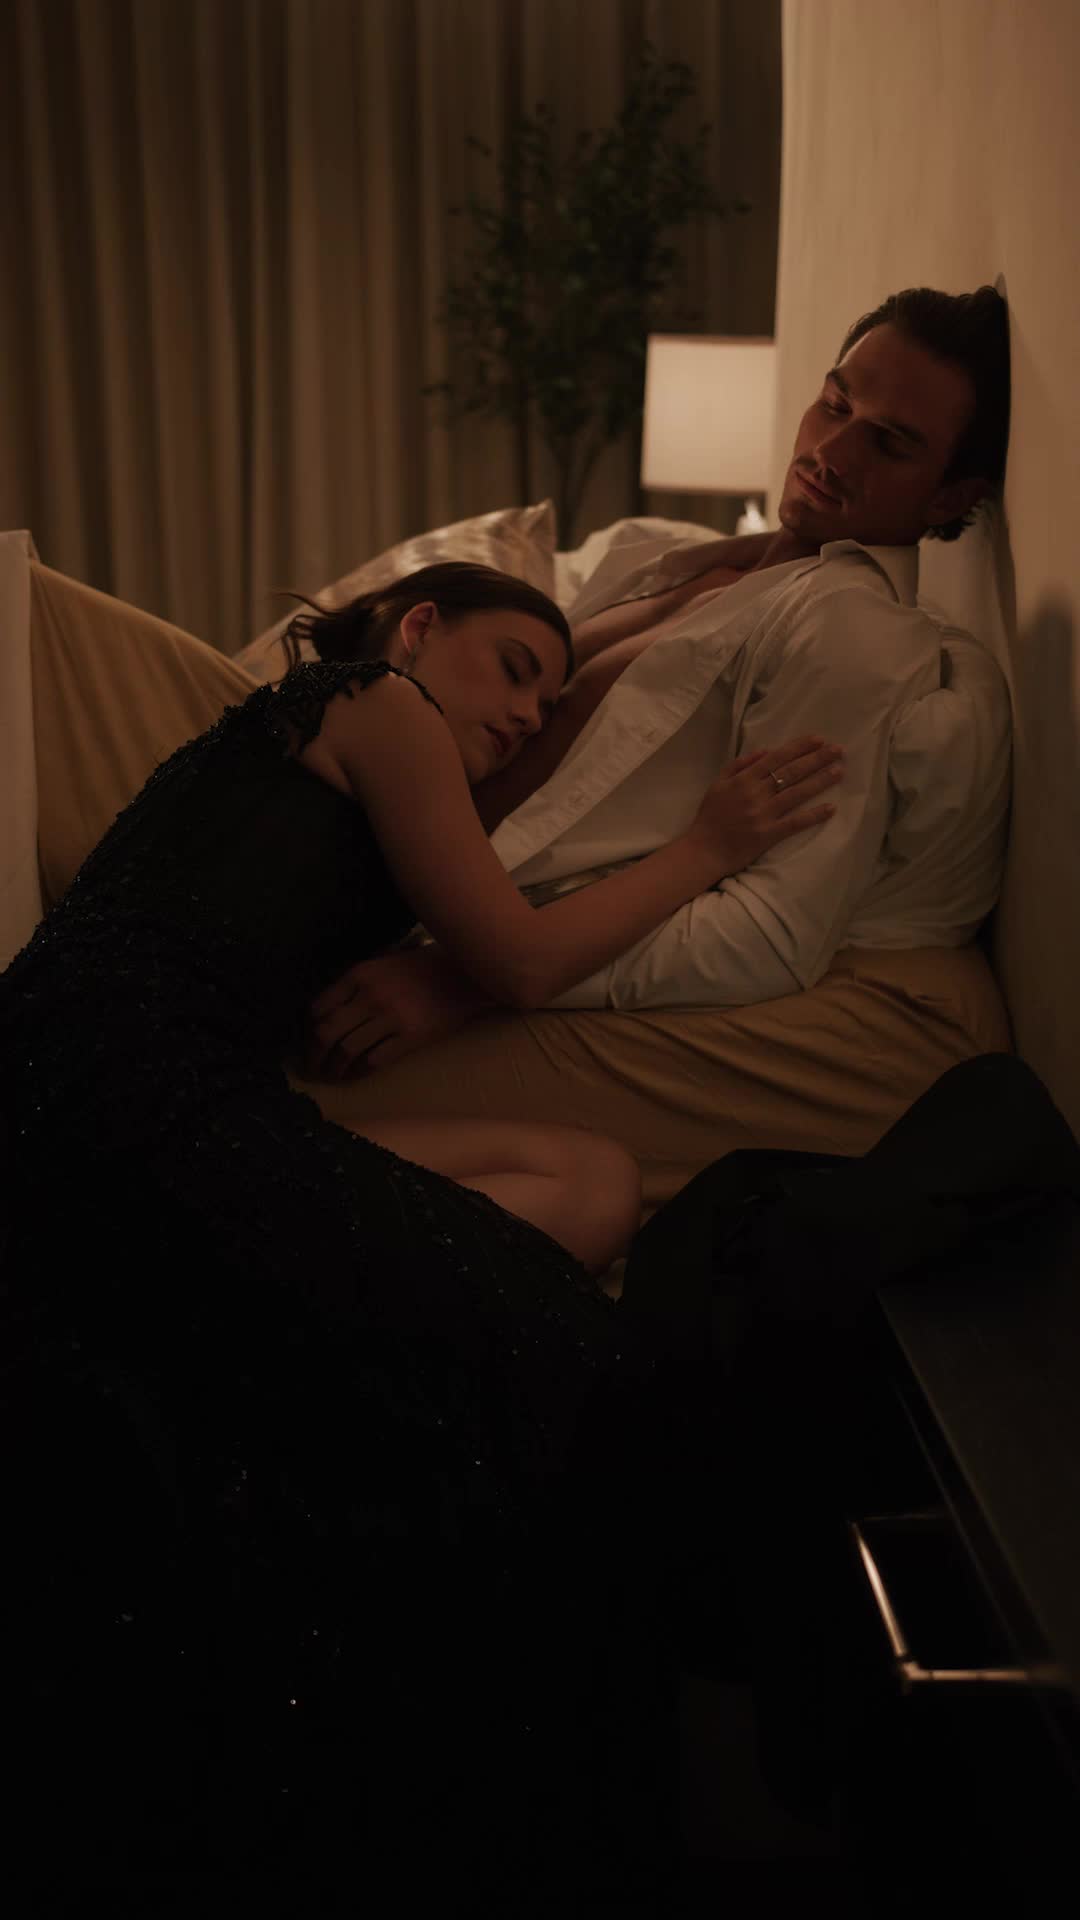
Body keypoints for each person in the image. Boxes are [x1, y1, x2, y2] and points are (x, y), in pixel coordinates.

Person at [0, 560, 839, 1907]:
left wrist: (691, 593)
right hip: (107, 1085)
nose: (528, 714)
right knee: (550, 1359)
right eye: (510, 673)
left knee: (591, 1183)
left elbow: (567, 676)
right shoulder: (371, 701)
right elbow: (518, 959)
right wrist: (709, 847)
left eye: (545, 695)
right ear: (419, 626)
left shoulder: (392, 735)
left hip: (178, 1095)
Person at [301, 286, 1014, 1218]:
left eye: (890, 443)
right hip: (376, 863)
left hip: (456, 923)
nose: (832, 452)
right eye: (836, 405)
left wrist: (467, 977)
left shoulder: (852, 635)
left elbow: (770, 938)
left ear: (951, 497)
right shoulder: (707, 561)